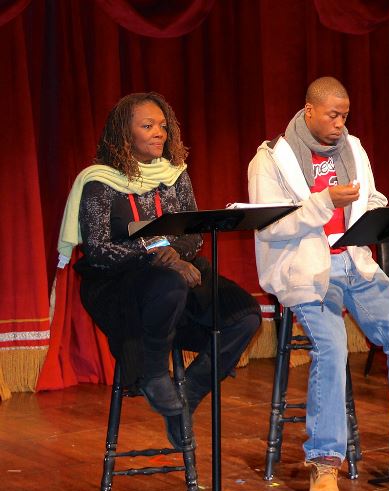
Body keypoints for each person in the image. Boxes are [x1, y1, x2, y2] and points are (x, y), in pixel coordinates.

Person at [248, 77, 389, 491]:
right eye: (333, 115)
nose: (341, 124)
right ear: (309, 110)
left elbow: (370, 199)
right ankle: (324, 464)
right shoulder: (270, 159)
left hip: (354, 262)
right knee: (331, 345)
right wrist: (326, 201)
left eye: (345, 115)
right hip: (306, 271)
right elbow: (271, 225)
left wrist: (386, 215)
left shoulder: (353, 148)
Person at [57, 92, 261, 450]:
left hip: (177, 271)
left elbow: (193, 235)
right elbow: (99, 250)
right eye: (148, 126)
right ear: (125, 133)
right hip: (118, 283)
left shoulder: (175, 176)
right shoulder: (99, 182)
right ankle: (153, 372)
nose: (159, 133)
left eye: (163, 126)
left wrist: (173, 253)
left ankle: (189, 391)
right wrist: (156, 251)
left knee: (244, 316)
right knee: (169, 284)